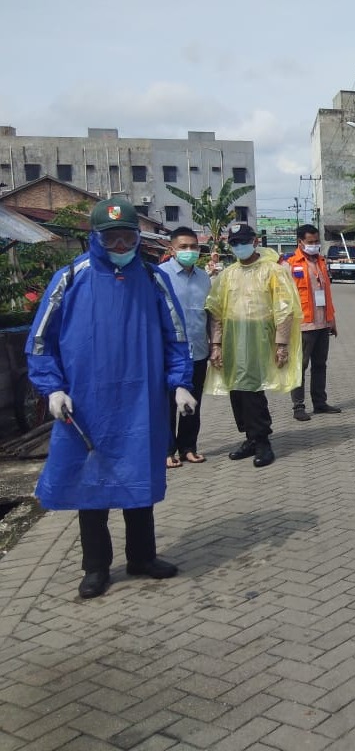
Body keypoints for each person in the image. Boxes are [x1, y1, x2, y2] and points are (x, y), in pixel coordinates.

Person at [27, 197, 196, 598]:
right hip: (86, 404)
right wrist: (52, 388)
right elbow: (39, 342)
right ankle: (96, 567)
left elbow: (176, 337)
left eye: (128, 237)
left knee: (139, 479)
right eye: (112, 238)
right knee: (93, 485)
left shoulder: (155, 280)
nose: (121, 246)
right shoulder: (70, 278)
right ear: (95, 239)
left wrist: (180, 382)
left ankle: (142, 557)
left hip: (141, 400)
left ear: (139, 237)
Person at [205, 222, 302, 469]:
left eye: (243, 242)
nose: (239, 247)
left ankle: (262, 440)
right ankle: (249, 436)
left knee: (252, 389)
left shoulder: (273, 271)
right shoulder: (227, 274)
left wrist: (281, 344)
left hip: (260, 337)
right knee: (237, 389)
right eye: (234, 243)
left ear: (255, 241)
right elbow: (215, 310)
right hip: (233, 337)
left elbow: (285, 308)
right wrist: (216, 344)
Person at [159, 226, 212, 468]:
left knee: (193, 403)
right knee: (168, 405)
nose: (189, 251)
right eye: (183, 247)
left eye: (193, 247)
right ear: (171, 249)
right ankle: (167, 449)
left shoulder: (204, 278)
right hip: (169, 355)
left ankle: (188, 447)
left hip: (198, 351)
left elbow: (211, 314)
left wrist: (216, 345)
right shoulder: (160, 275)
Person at [285, 224, 341, 419]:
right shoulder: (289, 264)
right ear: (300, 242)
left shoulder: (321, 262)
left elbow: (327, 293)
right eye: (310, 242)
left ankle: (320, 402)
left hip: (322, 323)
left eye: (317, 241)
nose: (315, 245)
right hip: (303, 324)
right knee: (300, 365)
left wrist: (332, 319)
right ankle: (298, 406)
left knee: (320, 364)